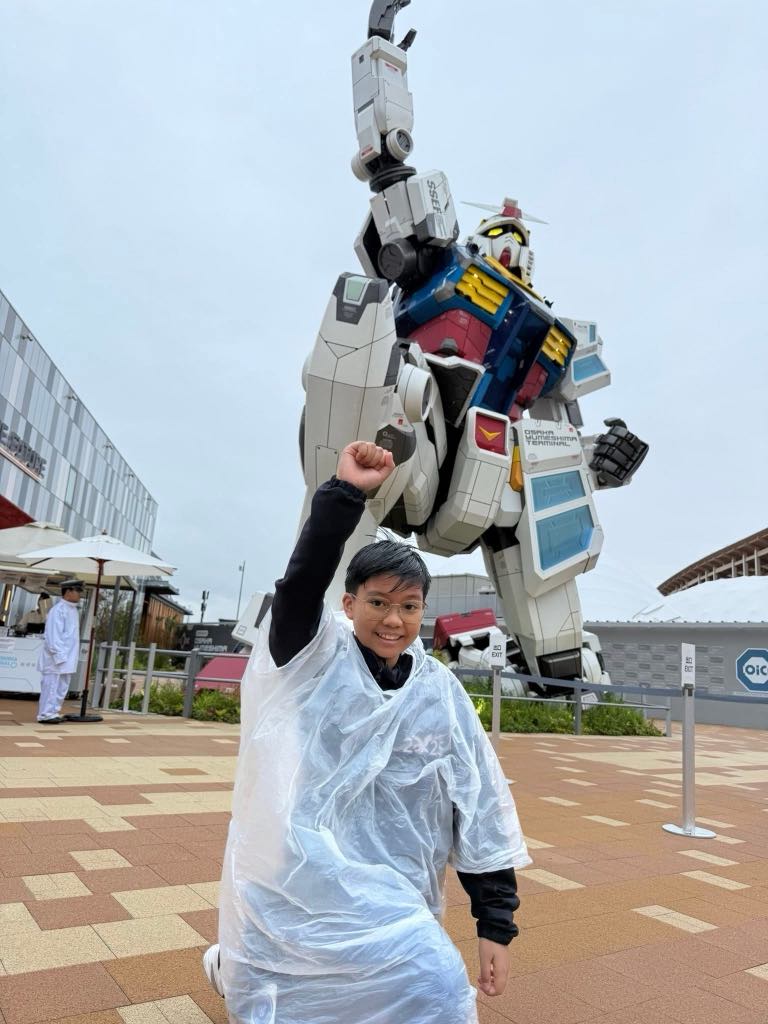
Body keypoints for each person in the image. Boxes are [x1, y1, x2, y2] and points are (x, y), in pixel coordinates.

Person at [205, 442, 531, 1024]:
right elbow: (301, 586)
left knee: (435, 989)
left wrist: (495, 924)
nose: (393, 619)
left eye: (409, 606)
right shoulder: (310, 660)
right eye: (377, 602)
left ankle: (232, 964)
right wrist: (346, 494)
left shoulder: (438, 693)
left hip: (393, 894)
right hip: (293, 879)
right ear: (349, 603)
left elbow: (478, 807)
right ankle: (232, 965)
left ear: (423, 611)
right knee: (282, 998)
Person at [36, 579, 83, 723]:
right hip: (56, 658)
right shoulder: (58, 610)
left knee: (61, 687)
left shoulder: (73, 610)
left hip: (68, 658)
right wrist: (60, 656)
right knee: (51, 686)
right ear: (68, 592)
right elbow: (53, 636)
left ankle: (54, 712)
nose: (80, 594)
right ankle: (45, 714)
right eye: (77, 591)